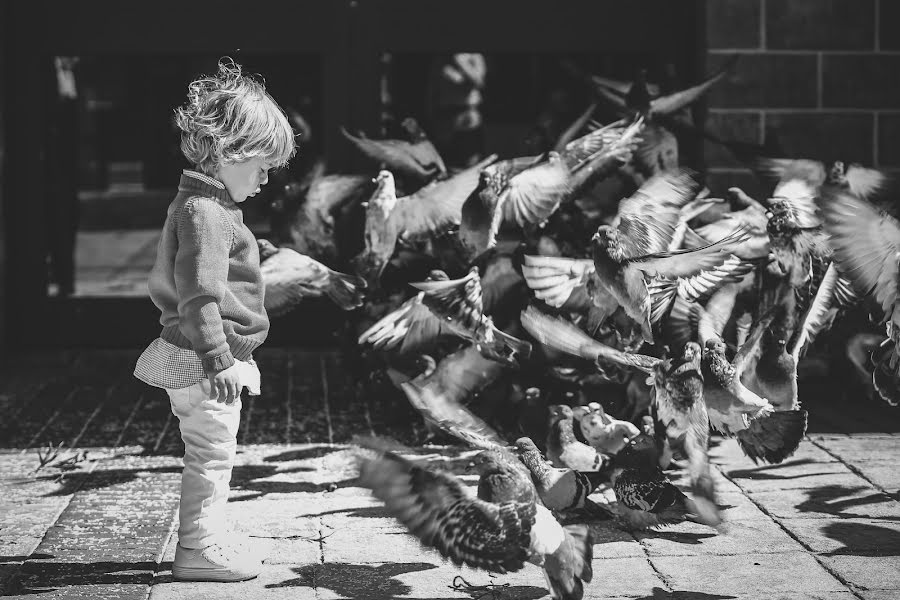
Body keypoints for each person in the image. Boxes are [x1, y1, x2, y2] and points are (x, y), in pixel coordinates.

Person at [133, 57, 296, 582]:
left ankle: (209, 537)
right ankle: (198, 549)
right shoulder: (206, 213)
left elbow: (212, 264)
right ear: (229, 152)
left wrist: (254, 250)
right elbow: (199, 293)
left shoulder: (206, 205)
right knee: (211, 453)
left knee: (212, 449)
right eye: (262, 165)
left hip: (202, 352)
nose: (267, 177)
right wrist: (218, 357)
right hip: (205, 355)